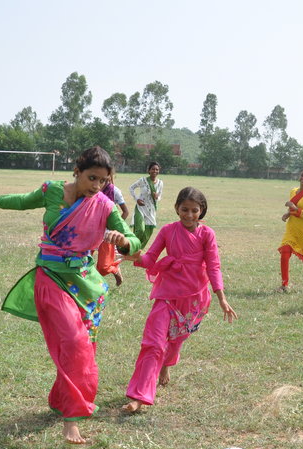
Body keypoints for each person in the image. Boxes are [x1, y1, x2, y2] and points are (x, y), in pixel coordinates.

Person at [0, 146, 141, 444]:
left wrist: (124, 241)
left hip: (85, 286)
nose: (96, 186)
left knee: (81, 349)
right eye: (92, 178)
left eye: (103, 181)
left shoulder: (104, 206)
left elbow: (133, 238)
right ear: (76, 171)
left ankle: (59, 399)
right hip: (50, 279)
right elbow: (24, 201)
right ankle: (72, 419)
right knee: (75, 342)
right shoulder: (52, 191)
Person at [122, 187, 237, 413]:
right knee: (153, 342)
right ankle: (139, 396)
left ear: (201, 211)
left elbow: (213, 267)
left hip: (194, 298)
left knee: (176, 340)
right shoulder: (167, 231)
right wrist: (134, 256)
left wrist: (221, 298)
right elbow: (151, 257)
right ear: (176, 208)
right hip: (167, 293)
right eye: (185, 209)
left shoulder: (207, 235)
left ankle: (166, 365)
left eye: (195, 210)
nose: (189, 215)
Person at [278, 168, 303, 292]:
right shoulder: (293, 191)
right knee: (284, 253)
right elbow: (292, 209)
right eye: (302, 175)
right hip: (292, 228)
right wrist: (288, 214)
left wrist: (296, 209)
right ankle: (284, 285)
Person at [95, 180, 131, 286]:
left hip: (107, 234)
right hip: (89, 231)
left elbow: (126, 212)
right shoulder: (90, 187)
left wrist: (115, 228)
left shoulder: (115, 191)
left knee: (103, 268)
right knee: (81, 261)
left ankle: (114, 268)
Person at [129, 161, 163, 247]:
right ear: (149, 170)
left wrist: (156, 197)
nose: (155, 171)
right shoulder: (143, 180)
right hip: (140, 207)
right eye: (153, 169)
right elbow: (131, 188)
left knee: (148, 232)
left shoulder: (160, 183)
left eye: (157, 169)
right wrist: (137, 199)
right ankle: (131, 245)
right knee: (140, 229)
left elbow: (159, 197)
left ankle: (138, 248)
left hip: (151, 210)